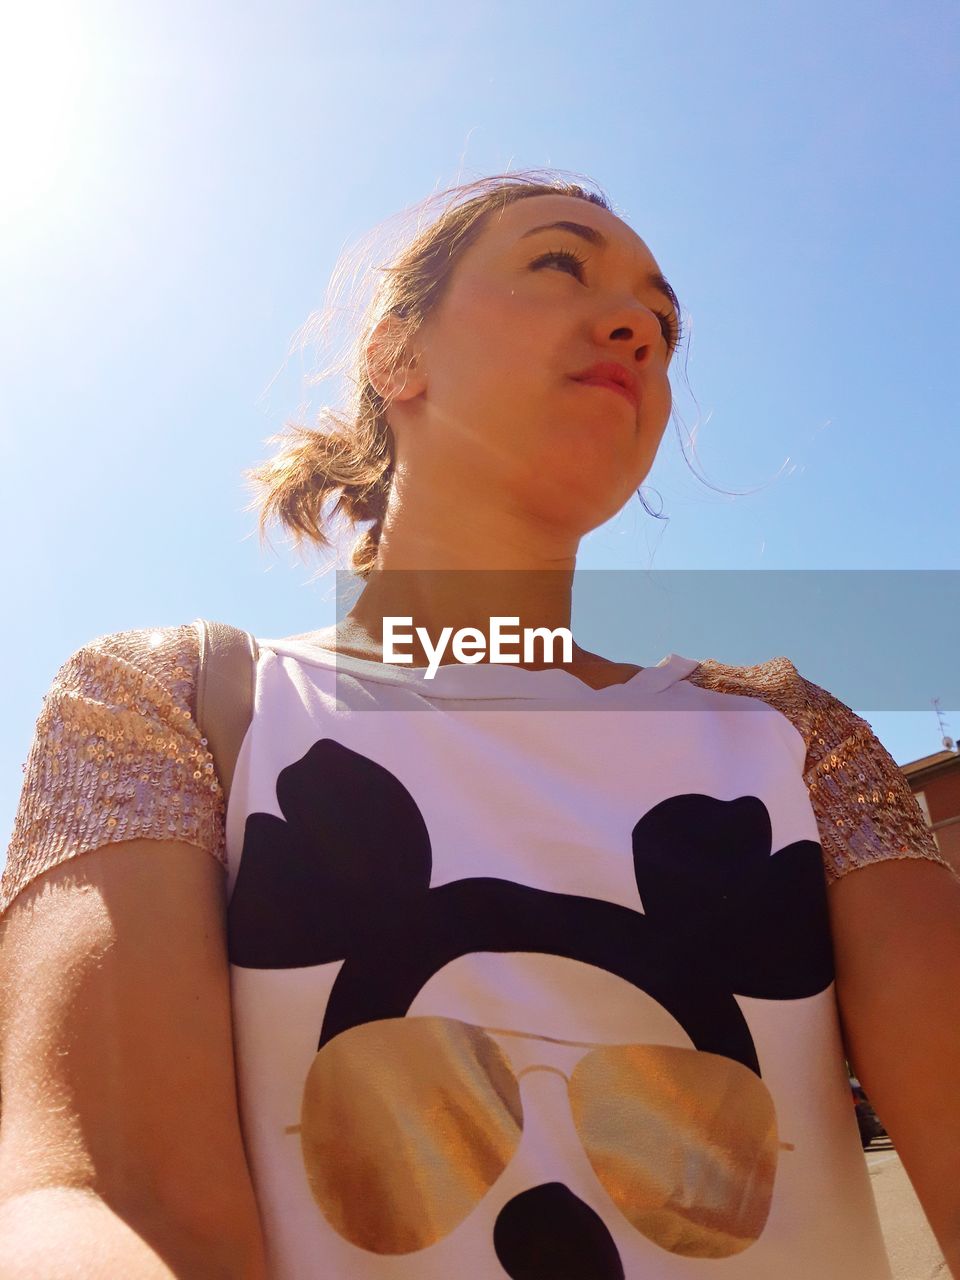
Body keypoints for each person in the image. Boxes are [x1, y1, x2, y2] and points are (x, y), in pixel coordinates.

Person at [0, 170, 958, 1280]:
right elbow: (108, 1195)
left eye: (664, 318)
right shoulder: (176, 701)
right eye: (560, 264)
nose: (638, 327)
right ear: (395, 354)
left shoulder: (791, 735)